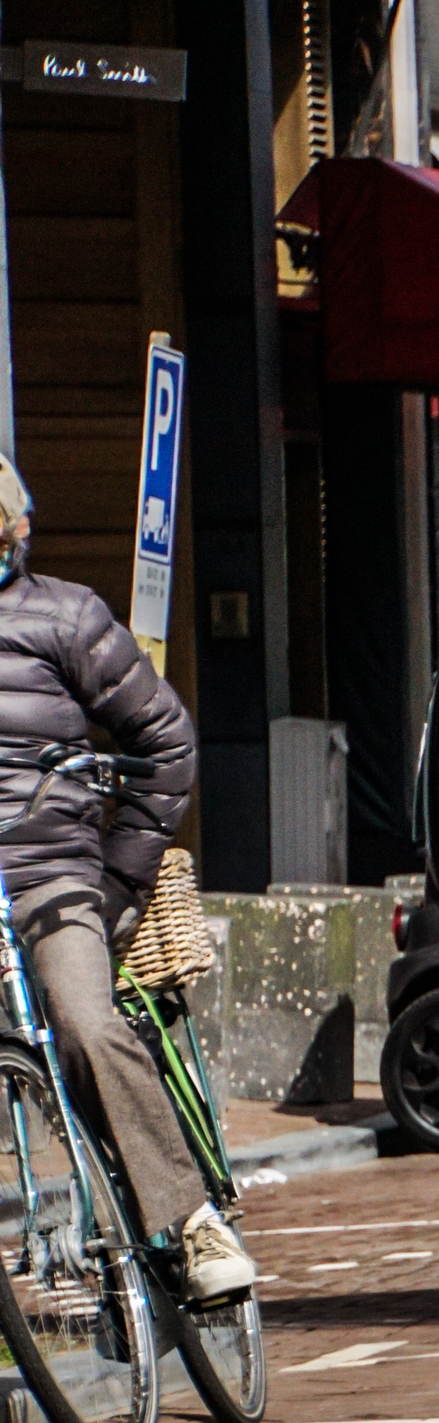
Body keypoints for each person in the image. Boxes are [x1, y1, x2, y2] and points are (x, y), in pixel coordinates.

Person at [0, 455, 250, 1301]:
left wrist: (117, 882)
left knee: (85, 1024)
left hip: (49, 878)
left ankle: (190, 1220)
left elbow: (168, 747)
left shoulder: (65, 619)